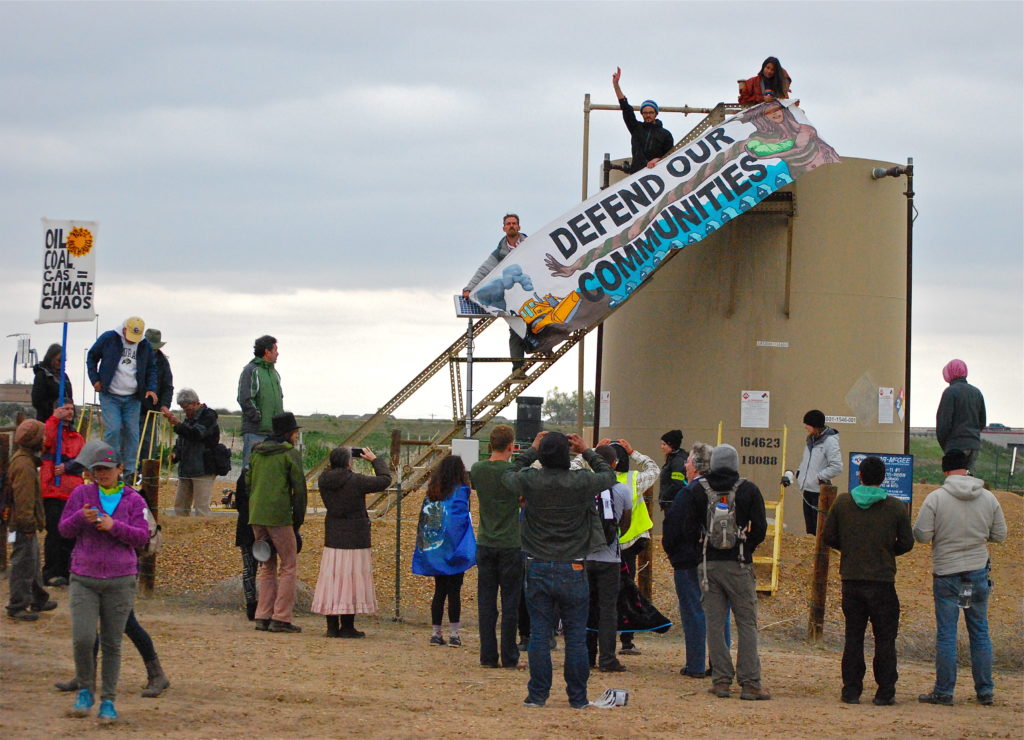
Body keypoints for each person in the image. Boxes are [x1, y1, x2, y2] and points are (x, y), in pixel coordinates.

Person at [501, 431, 616, 709]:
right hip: (574, 565)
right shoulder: (581, 481)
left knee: (540, 633)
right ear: (567, 455)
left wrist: (532, 449)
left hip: (538, 563)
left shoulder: (531, 480)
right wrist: (587, 450)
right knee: (576, 636)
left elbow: (508, 474)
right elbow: (609, 475)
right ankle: (577, 697)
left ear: (542, 455)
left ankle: (537, 695)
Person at [58, 441, 149, 722]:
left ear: (120, 469)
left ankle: (108, 699)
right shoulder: (81, 494)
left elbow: (142, 537)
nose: (102, 474)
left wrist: (113, 526)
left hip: (120, 580)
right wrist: (80, 518)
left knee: (112, 643)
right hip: (84, 577)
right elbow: (63, 530)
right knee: (83, 638)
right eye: (97, 469)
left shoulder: (134, 500)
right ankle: (85, 689)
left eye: (107, 469)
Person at [914, 449, 1007, 707]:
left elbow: (921, 534)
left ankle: (944, 692)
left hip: (947, 574)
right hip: (976, 573)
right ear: (967, 468)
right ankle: (985, 690)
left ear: (945, 471)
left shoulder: (936, 498)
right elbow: (1000, 535)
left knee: (947, 633)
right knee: (979, 631)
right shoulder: (988, 498)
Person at [823, 455, 914, 706]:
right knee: (885, 638)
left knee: (853, 636)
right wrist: (885, 551)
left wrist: (851, 549)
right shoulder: (896, 507)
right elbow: (907, 542)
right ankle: (885, 691)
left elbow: (828, 536)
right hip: (883, 581)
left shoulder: (842, 503)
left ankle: (851, 690)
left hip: (851, 580)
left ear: (859, 476)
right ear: (883, 479)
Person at [683, 443, 770, 700]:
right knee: (746, 623)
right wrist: (747, 547)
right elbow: (762, 528)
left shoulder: (698, 490)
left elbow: (687, 529)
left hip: (708, 566)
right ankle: (750, 683)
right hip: (740, 564)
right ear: (735, 463)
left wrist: (700, 553)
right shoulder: (748, 490)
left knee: (715, 623)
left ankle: (721, 681)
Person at [663, 441, 730, 679]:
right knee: (720, 612)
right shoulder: (724, 491)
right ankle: (720, 664)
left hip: (690, 560)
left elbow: (673, 526)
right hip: (721, 560)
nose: (686, 464)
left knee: (694, 611)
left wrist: (674, 553)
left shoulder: (689, 492)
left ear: (696, 465)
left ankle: (696, 665)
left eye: (689, 461)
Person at [312, 445, 391, 638]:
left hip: (333, 536)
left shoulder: (323, 480)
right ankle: (347, 626)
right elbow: (385, 480)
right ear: (349, 462)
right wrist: (374, 460)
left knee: (332, 580)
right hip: (355, 537)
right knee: (351, 580)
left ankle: (331, 626)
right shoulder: (356, 480)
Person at [248, 412, 307, 633]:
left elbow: (248, 482)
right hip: (279, 515)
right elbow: (299, 489)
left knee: (266, 565)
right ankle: (281, 617)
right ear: (289, 433)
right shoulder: (289, 454)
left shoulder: (256, 453)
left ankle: (263, 615)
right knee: (289, 565)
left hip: (256, 515)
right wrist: (297, 521)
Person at [471, 424, 524, 668]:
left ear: (490, 445)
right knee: (510, 602)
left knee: (486, 601)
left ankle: (488, 655)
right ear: (511, 447)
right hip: (511, 543)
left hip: (485, 541)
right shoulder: (513, 471)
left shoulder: (478, 469)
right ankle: (509, 654)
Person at [412, 455, 477, 647]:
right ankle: (454, 634)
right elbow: (463, 518)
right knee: (454, 591)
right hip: (455, 548)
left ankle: (435, 633)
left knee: (439, 590)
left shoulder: (432, 492)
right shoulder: (463, 491)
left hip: (435, 549)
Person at [86, 317, 158, 481]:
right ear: (124, 329)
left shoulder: (144, 345)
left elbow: (152, 368)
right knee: (113, 430)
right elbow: (92, 357)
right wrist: (95, 379)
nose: (132, 341)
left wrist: (151, 389)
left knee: (133, 433)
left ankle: (129, 471)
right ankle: (110, 466)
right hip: (110, 394)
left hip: (133, 397)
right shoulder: (109, 338)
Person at [463, 214, 530, 377]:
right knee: (516, 330)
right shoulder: (500, 253)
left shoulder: (531, 245)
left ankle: (547, 348)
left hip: (532, 293)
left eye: (514, 223)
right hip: (514, 300)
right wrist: (469, 288)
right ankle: (518, 369)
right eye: (508, 224)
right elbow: (484, 270)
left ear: (519, 227)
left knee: (542, 322)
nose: (512, 226)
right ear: (504, 228)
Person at [585, 445, 632, 673]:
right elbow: (626, 522)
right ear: (614, 464)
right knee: (607, 609)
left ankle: (586, 656)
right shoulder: (622, 490)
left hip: (585, 555)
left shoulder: (584, 488)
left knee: (586, 607)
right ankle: (607, 658)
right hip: (610, 557)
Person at [611, 438, 659, 655]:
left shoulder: (596, 479)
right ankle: (627, 640)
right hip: (629, 543)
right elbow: (654, 468)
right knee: (627, 589)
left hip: (604, 544)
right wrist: (634, 452)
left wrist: (590, 452)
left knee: (603, 591)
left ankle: (600, 636)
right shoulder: (634, 479)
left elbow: (575, 468)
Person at [5, 419, 56, 621]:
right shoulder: (25, 465)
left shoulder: (23, 460)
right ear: (34, 440)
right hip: (21, 525)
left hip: (23, 524)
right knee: (23, 565)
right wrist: (27, 525)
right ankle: (17, 606)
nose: (45, 439)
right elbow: (24, 499)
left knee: (32, 562)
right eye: (42, 436)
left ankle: (38, 598)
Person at [40, 402, 85, 586]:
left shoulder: (77, 437)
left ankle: (67, 571)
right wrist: (53, 420)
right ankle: (51, 572)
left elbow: (83, 460)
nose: (69, 412)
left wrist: (67, 467)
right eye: (65, 408)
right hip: (52, 490)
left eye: (71, 409)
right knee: (54, 534)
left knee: (71, 534)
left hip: (72, 491)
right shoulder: (50, 430)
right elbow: (44, 442)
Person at [164, 388, 220, 517]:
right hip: (187, 469)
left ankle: (202, 535)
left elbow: (196, 434)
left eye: (187, 408)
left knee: (201, 508)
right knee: (180, 507)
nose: (185, 411)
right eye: (183, 408)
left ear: (195, 403)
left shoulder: (208, 416)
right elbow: (182, 441)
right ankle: (182, 533)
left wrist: (177, 424)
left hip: (203, 468)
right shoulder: (188, 419)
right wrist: (175, 454)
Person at [612, 67, 674, 173]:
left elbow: (670, 156)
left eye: (651, 113)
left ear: (656, 114)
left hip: (657, 174)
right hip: (637, 174)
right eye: (645, 113)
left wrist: (657, 160)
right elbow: (626, 108)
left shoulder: (665, 135)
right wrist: (616, 85)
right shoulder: (636, 128)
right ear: (642, 114)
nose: (648, 115)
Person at [237, 334, 284, 469]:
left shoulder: (274, 373)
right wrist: (257, 417)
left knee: (271, 470)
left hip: (273, 433)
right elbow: (244, 398)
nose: (278, 353)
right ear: (266, 351)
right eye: (275, 349)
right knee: (251, 469)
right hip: (255, 432)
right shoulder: (251, 370)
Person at [793, 409, 842, 535]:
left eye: (808, 425)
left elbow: (837, 466)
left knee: (819, 529)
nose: (805, 427)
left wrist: (819, 477)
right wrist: (800, 472)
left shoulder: (830, 441)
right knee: (810, 529)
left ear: (815, 426)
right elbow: (807, 461)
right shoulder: (811, 440)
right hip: (807, 490)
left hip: (820, 492)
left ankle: (819, 553)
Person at [935, 359, 987, 470]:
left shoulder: (950, 392)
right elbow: (982, 421)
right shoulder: (977, 392)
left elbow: (943, 425)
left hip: (955, 446)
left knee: (955, 482)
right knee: (969, 481)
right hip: (973, 445)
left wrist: (946, 445)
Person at [139, 328, 173, 461]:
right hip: (132, 407)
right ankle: (127, 474)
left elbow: (168, 387)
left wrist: (165, 405)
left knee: (148, 444)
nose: (152, 350)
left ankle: (145, 475)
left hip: (151, 411)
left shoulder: (163, 362)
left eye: (154, 348)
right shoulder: (134, 356)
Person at [31, 343, 73, 422]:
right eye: (59, 360)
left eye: (64, 361)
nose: (62, 363)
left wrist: (69, 412)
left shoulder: (64, 377)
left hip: (65, 422)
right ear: (51, 358)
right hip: (47, 421)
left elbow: (69, 398)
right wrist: (55, 410)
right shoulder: (42, 375)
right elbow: (37, 401)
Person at [657, 429, 687, 511]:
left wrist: (664, 497)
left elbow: (677, 483)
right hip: (671, 502)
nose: (661, 447)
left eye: (664, 444)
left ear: (672, 445)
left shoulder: (677, 461)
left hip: (673, 503)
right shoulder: (672, 458)